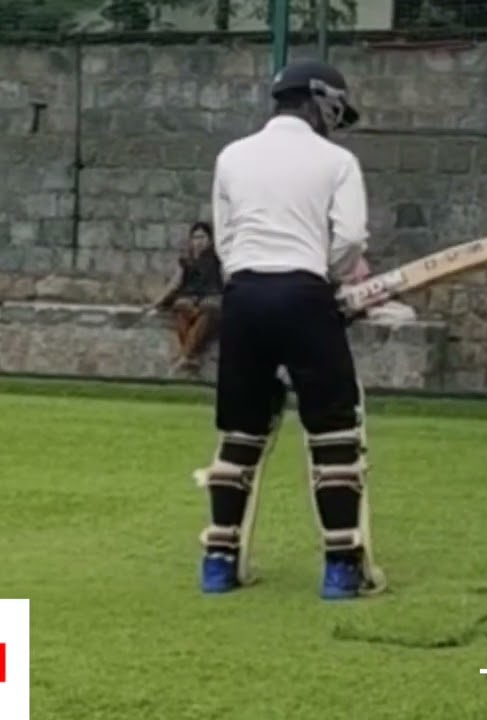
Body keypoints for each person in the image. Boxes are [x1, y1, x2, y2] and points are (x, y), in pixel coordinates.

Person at [192, 58, 386, 600]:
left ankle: (218, 562)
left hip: (245, 298)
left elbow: (227, 242)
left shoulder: (232, 156)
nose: (335, 121)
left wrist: (257, 276)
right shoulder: (337, 161)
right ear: (319, 99)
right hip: (304, 296)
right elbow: (349, 237)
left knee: (241, 432)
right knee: (333, 433)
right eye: (334, 110)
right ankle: (341, 570)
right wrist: (323, 277)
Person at [148, 221, 224, 374]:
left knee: (209, 308)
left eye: (202, 237)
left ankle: (185, 355)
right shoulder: (185, 261)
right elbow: (174, 284)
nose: (198, 242)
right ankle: (190, 357)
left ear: (209, 240)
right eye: (195, 238)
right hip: (189, 299)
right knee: (181, 306)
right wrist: (156, 304)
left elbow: (226, 280)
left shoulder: (218, 259)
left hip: (210, 298)